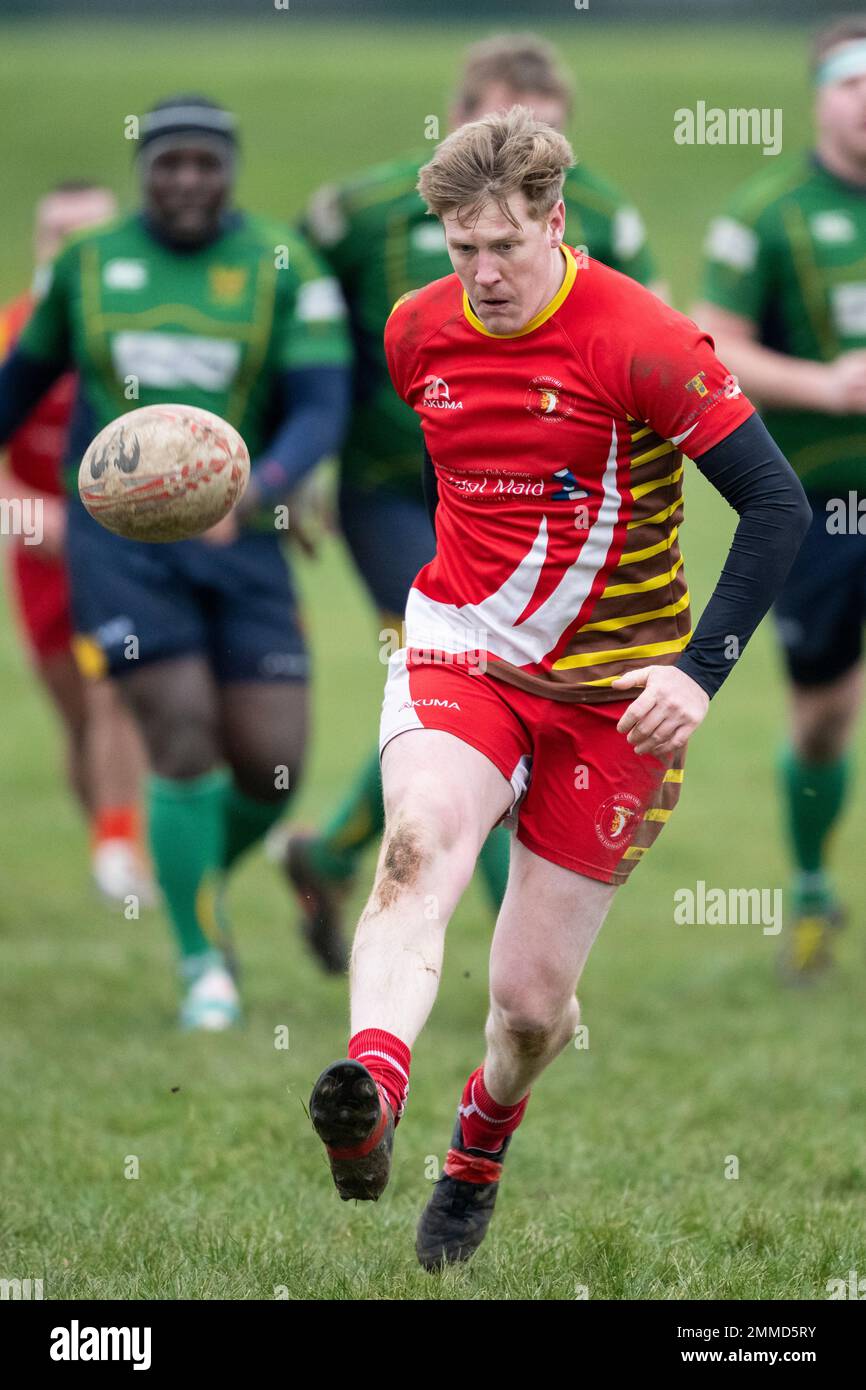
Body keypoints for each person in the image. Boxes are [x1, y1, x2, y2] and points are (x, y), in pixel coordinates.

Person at [307, 107, 810, 1270]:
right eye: (456, 248)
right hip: (461, 651)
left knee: (531, 1010)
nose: (478, 274)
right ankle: (369, 1093)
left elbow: (774, 507)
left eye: (502, 246)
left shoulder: (640, 339)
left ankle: (476, 1144)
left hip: (616, 696)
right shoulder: (414, 331)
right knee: (417, 842)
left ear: (554, 221)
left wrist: (698, 671)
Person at [280, 32, 662, 949]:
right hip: (392, 491)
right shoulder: (359, 214)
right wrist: (297, 465)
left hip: (548, 512)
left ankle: (331, 853)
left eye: (550, 143)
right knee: (458, 692)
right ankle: (503, 945)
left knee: (458, 703)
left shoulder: (605, 218)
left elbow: (649, 361)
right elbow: (294, 340)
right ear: (457, 122)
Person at [0, 96, 351, 1029]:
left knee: (272, 766)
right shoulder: (85, 268)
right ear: (142, 169)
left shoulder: (284, 266)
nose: (188, 179)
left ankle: (201, 881)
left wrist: (259, 485)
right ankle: (205, 963)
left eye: (206, 162)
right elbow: (15, 390)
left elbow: (324, 402)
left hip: (247, 542)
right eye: (169, 162)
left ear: (229, 169)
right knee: (183, 735)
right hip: (118, 549)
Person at [696, 16, 866, 980]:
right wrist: (828, 385)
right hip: (824, 505)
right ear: (821, 96)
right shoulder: (769, 213)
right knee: (824, 719)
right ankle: (807, 884)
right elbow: (710, 343)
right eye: (852, 83)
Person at [0, 182, 153, 904]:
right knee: (77, 715)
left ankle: (121, 844)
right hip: (40, 556)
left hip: (123, 551)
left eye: (85, 234)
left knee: (112, 689)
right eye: (55, 234)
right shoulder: (12, 336)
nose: (67, 250)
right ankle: (112, 844)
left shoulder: (142, 338)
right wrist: (37, 518)